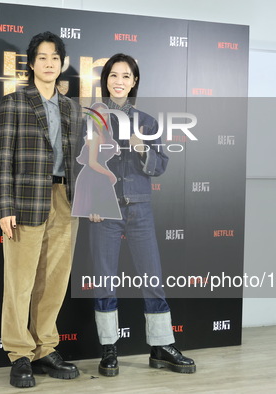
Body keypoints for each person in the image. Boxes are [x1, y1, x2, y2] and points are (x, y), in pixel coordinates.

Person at [85, 53, 196, 377]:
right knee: (104, 279)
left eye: (125, 76)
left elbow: (160, 165)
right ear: (106, 80)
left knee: (152, 277)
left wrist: (142, 148)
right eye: (113, 75)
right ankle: (109, 349)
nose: (119, 81)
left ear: (134, 82)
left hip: (139, 208)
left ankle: (161, 346)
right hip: (105, 210)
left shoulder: (146, 121)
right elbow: (83, 163)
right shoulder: (93, 118)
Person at [0, 31, 80, 388]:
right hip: (26, 199)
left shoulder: (73, 108)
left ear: (62, 64)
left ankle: (45, 347)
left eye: (55, 58)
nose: (49, 64)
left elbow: (80, 160)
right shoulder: (13, 103)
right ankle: (19, 353)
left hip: (65, 199)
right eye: (42, 57)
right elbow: (2, 160)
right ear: (31, 64)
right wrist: (5, 205)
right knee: (20, 280)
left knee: (54, 280)